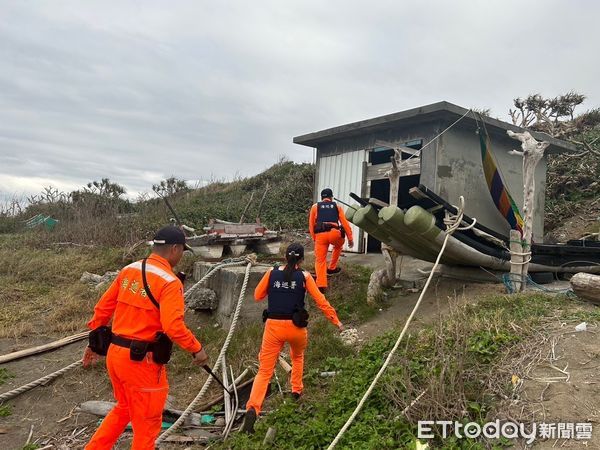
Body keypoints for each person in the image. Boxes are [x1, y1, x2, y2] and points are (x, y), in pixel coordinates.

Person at [82, 225, 209, 450]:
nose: (181, 256)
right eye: (182, 251)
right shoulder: (170, 282)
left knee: (124, 408)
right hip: (142, 364)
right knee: (147, 423)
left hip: (115, 356)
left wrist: (94, 343)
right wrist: (196, 349)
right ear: (175, 249)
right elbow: (173, 326)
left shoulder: (129, 270)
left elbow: (102, 309)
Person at [240, 243, 344, 434]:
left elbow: (257, 296)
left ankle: (253, 409)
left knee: (264, 372)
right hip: (296, 328)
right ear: (302, 260)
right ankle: (296, 391)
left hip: (273, 327)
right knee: (297, 357)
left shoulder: (271, 273)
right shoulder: (304, 276)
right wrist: (336, 321)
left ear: (285, 257)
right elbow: (321, 301)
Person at [309, 188, 354, 292]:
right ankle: (332, 268)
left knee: (320, 260)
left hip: (320, 235)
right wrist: (350, 239)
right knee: (338, 246)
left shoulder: (315, 207)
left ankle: (321, 285)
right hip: (335, 234)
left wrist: (314, 238)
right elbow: (345, 224)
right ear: (331, 197)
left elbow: (311, 225)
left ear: (322, 198)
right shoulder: (337, 207)